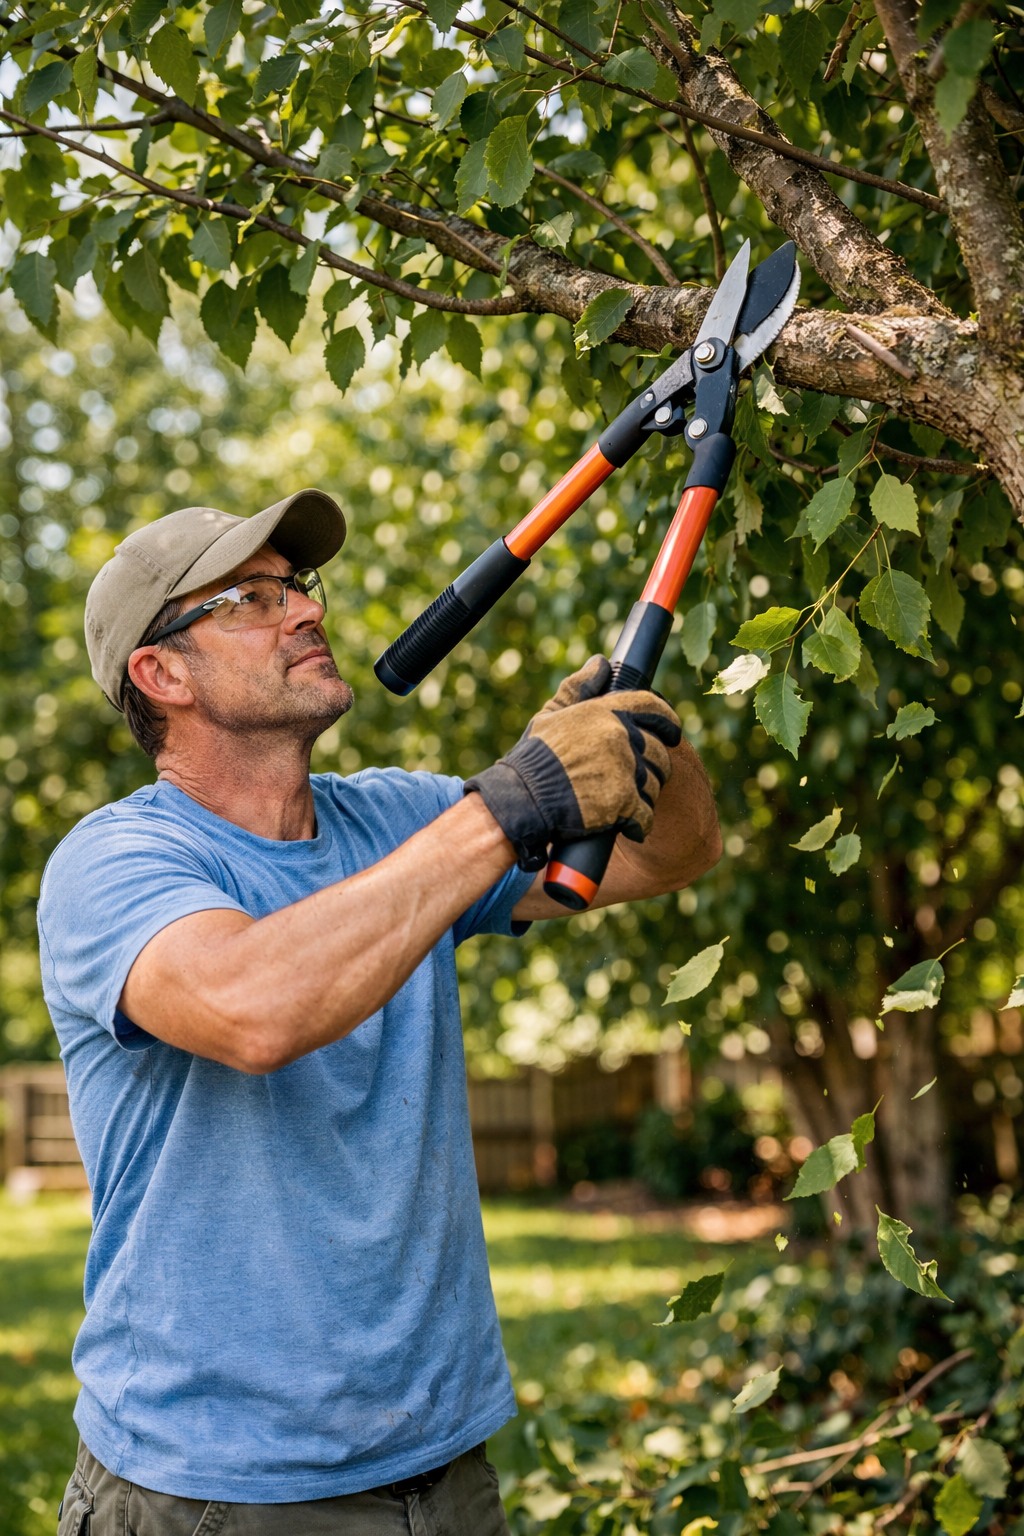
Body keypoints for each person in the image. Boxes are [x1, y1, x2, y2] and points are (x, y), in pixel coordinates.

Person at [39, 488, 722, 1536]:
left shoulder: (398, 819)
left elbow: (671, 855)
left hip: (441, 1470)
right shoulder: (115, 862)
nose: (304, 613)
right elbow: (255, 1008)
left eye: (297, 588)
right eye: (251, 600)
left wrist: (633, 733)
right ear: (161, 672)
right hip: (214, 1487)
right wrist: (511, 804)